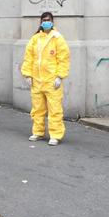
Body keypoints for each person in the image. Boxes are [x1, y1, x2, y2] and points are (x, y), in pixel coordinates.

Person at [21, 12, 70, 146]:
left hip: (52, 81)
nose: (46, 22)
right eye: (44, 20)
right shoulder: (35, 39)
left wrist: (60, 76)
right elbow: (28, 58)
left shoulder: (57, 38)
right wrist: (27, 75)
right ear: (41, 22)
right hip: (37, 80)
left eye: (48, 20)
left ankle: (55, 135)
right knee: (37, 109)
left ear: (52, 22)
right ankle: (38, 132)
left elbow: (63, 59)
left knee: (54, 109)